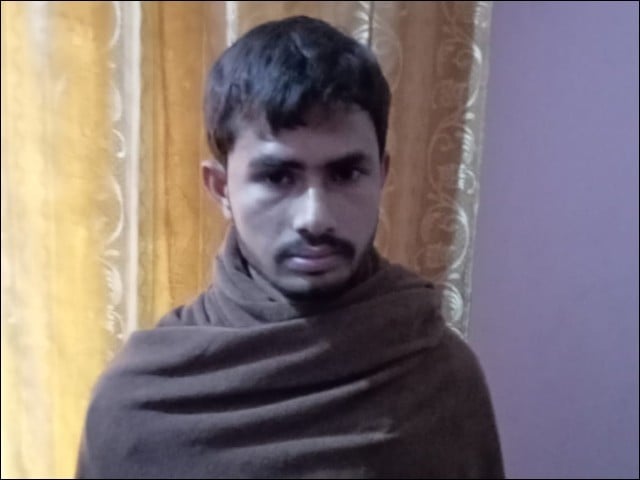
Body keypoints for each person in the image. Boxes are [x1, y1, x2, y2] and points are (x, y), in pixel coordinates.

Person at [76, 15, 504, 479]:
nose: (315, 218)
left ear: (382, 175)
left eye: (346, 174)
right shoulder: (138, 406)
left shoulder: (439, 376)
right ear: (221, 188)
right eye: (278, 177)